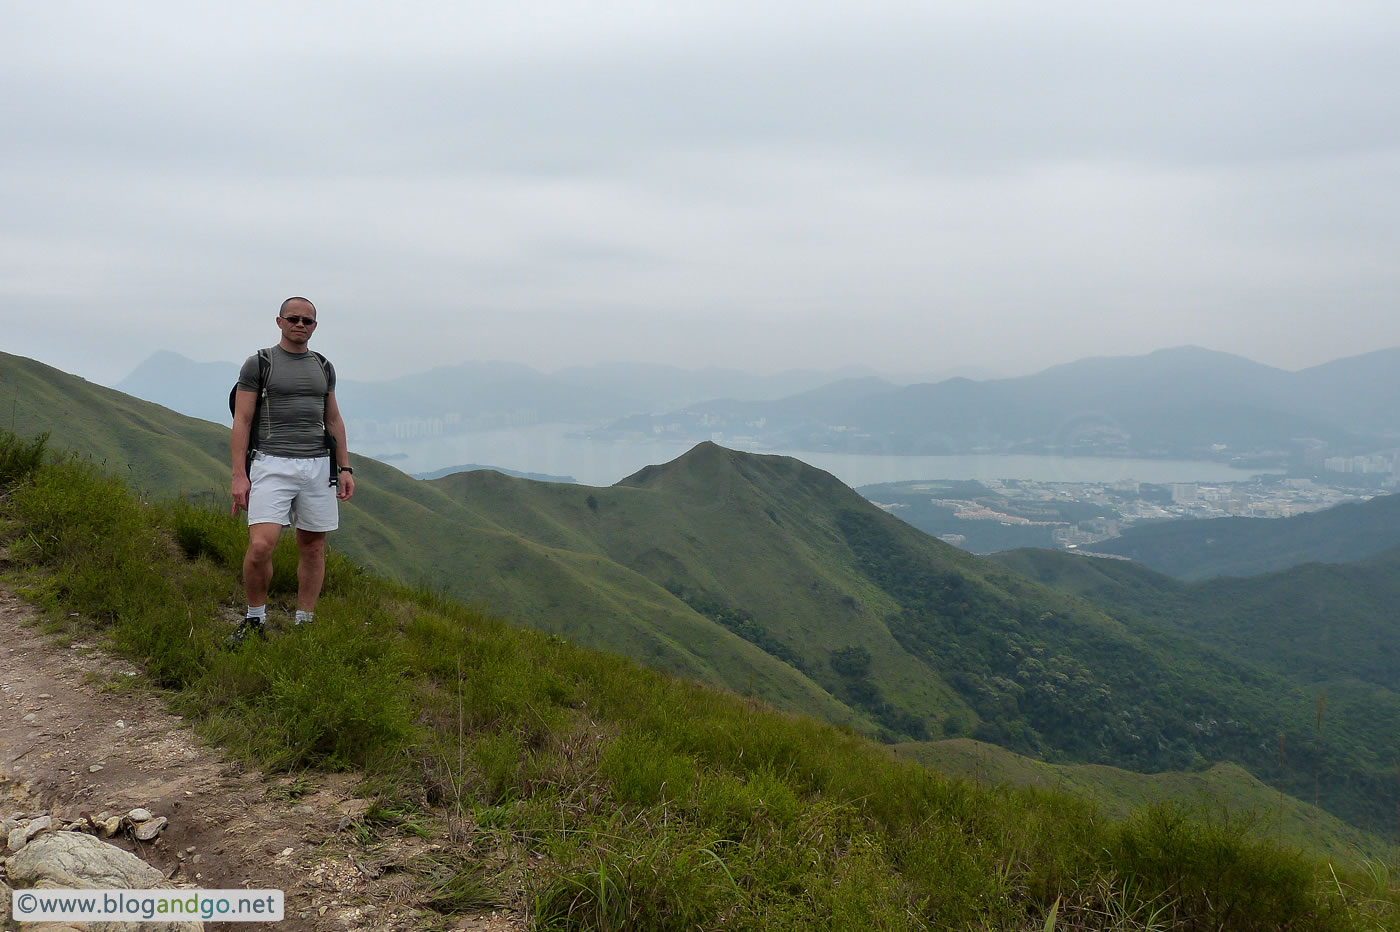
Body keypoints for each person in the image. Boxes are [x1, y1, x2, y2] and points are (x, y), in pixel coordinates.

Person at [227, 297, 355, 645]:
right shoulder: (259, 364)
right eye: (293, 319)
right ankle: (255, 620)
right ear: (279, 322)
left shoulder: (323, 366)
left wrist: (345, 467)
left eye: (307, 321)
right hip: (271, 462)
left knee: (313, 547)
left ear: (315, 326)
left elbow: (332, 418)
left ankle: (305, 623)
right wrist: (240, 474)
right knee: (261, 546)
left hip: (317, 465)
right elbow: (242, 419)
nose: (300, 325)